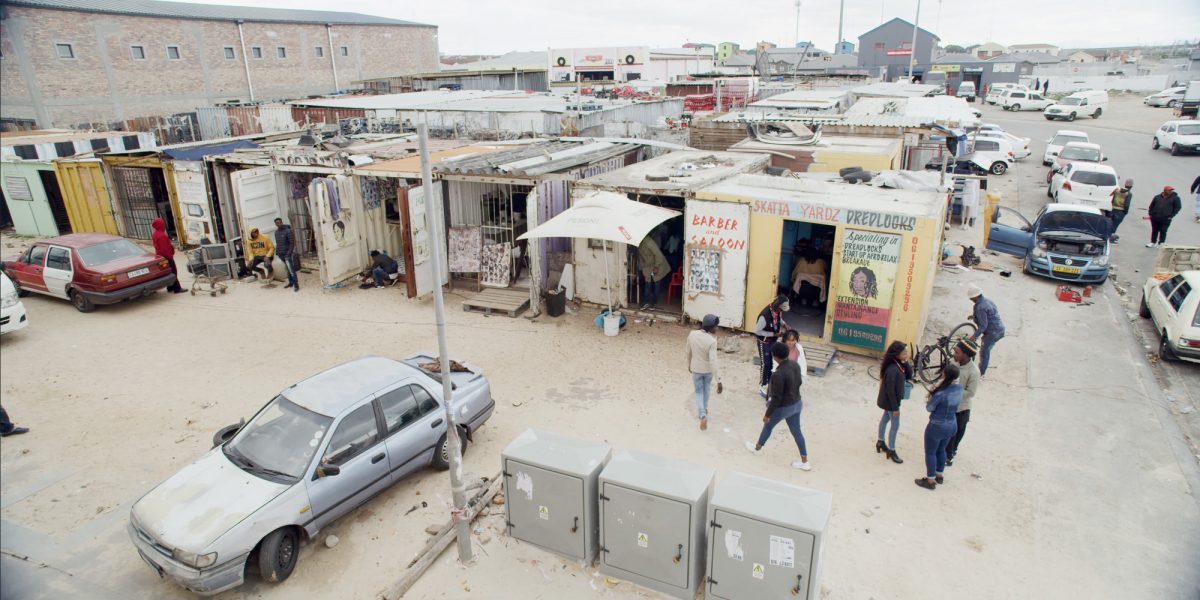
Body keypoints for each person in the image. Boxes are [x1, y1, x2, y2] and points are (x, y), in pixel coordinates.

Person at [745, 342, 810, 471]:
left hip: (784, 407)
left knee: (768, 426)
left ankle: (757, 447)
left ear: (775, 357)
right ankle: (805, 462)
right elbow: (800, 382)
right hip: (797, 403)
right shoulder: (795, 365)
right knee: (797, 432)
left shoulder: (777, 375)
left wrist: (767, 414)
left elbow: (776, 398)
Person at [915, 364, 963, 490]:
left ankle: (930, 481)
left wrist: (932, 393)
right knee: (941, 450)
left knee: (930, 452)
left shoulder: (940, 393)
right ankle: (939, 475)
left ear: (945, 375)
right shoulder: (959, 388)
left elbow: (929, 408)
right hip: (952, 424)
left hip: (937, 426)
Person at [945, 339, 981, 465]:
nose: (954, 354)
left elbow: (970, 393)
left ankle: (951, 454)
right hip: (949, 406)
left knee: (958, 432)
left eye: (957, 352)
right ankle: (946, 453)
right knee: (947, 432)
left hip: (962, 408)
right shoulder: (952, 363)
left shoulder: (974, 372)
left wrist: (953, 393)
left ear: (966, 355)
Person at [876, 340, 911, 464]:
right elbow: (890, 391)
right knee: (895, 425)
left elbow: (909, 376)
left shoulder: (899, 364)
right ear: (896, 354)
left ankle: (880, 441)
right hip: (891, 402)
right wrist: (895, 408)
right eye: (904, 353)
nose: (906, 354)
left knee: (885, 419)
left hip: (891, 401)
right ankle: (891, 449)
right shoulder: (892, 370)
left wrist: (905, 363)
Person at [685, 314, 723, 431]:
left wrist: (689, 365)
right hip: (708, 371)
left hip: (696, 369)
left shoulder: (692, 334)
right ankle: (704, 411)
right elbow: (713, 361)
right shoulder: (712, 341)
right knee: (706, 390)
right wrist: (719, 380)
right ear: (710, 327)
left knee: (698, 392)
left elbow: (688, 352)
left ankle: (702, 415)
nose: (717, 328)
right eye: (715, 326)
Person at [754, 295, 790, 396]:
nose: (781, 311)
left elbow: (779, 319)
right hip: (764, 342)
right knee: (766, 364)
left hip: (773, 341)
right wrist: (774, 334)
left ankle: (769, 383)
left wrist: (784, 325)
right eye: (781, 309)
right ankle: (762, 385)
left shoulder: (777, 311)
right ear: (777, 306)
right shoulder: (764, 316)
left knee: (771, 363)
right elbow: (757, 331)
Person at [967, 286, 1005, 377]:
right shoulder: (987, 301)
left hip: (994, 332)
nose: (971, 300)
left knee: (984, 351)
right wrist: (974, 316)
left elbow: (983, 326)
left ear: (976, 297)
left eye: (972, 298)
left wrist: (974, 336)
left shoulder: (981, 307)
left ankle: (981, 373)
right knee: (986, 347)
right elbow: (990, 315)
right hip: (999, 329)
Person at [151, 218, 184, 294]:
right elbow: (165, 248)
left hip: (160, 256)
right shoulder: (162, 235)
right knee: (173, 271)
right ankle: (177, 288)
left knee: (168, 272)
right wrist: (170, 256)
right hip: (166, 256)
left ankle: (170, 287)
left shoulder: (155, 234)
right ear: (160, 225)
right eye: (162, 223)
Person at [637, 236, 670, 310]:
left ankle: (654, 303)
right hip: (649, 267)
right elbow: (641, 259)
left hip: (658, 265)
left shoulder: (648, 242)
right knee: (648, 284)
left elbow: (659, 255)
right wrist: (644, 270)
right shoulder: (638, 244)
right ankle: (646, 302)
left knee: (656, 283)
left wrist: (656, 267)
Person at [274, 218, 299, 292]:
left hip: (287, 254)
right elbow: (278, 243)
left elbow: (292, 243)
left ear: (282, 222)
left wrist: (289, 253)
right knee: (287, 269)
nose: (278, 224)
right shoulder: (276, 232)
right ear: (275, 224)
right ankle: (291, 283)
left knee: (291, 269)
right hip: (281, 254)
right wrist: (277, 252)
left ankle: (296, 285)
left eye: (279, 222)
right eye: (277, 223)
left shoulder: (288, 231)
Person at [1109, 179, 1133, 243]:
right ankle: (1111, 238)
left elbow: (1112, 199)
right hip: (1121, 211)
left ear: (1125, 184)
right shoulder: (1128, 194)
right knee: (1115, 225)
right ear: (1131, 186)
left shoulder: (1117, 191)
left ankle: (1108, 236)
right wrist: (1126, 212)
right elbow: (1126, 204)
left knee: (1110, 224)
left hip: (1113, 209)